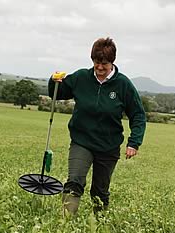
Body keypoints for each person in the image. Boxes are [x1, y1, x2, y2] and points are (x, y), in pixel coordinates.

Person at [48, 37, 146, 215]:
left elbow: (138, 114)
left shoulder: (123, 85)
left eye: (104, 64)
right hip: (82, 141)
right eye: (96, 63)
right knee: (74, 181)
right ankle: (65, 223)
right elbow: (57, 93)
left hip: (108, 147)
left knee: (100, 191)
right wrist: (54, 81)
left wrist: (134, 142)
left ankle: (99, 225)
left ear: (112, 62)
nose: (100, 68)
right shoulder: (81, 77)